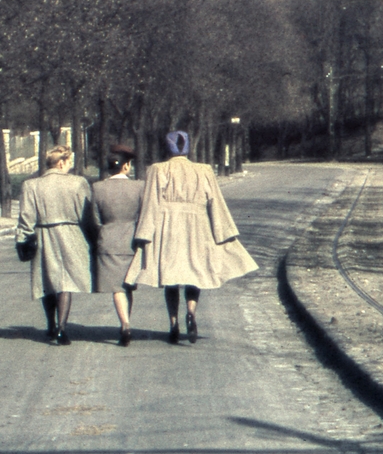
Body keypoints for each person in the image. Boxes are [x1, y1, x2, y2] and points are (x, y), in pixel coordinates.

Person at [125, 130, 258, 344]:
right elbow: (215, 201)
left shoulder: (157, 169)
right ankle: (191, 311)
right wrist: (222, 231)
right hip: (196, 227)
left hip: (168, 227)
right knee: (194, 273)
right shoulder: (204, 170)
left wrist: (144, 233)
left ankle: (173, 323)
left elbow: (150, 203)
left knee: (171, 278)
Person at [15, 144, 95, 345]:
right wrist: (92, 238)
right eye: (69, 162)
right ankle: (62, 328)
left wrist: (22, 238)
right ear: (61, 163)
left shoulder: (31, 185)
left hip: (43, 234)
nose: (70, 166)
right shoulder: (78, 183)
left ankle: (50, 324)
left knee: (47, 280)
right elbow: (86, 215)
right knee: (65, 282)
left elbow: (26, 217)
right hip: (71, 234)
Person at [91, 144, 143, 346]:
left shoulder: (98, 188)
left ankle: (125, 323)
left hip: (109, 240)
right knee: (128, 285)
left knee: (116, 288)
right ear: (126, 166)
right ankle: (126, 321)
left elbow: (95, 219)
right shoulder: (139, 187)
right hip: (131, 241)